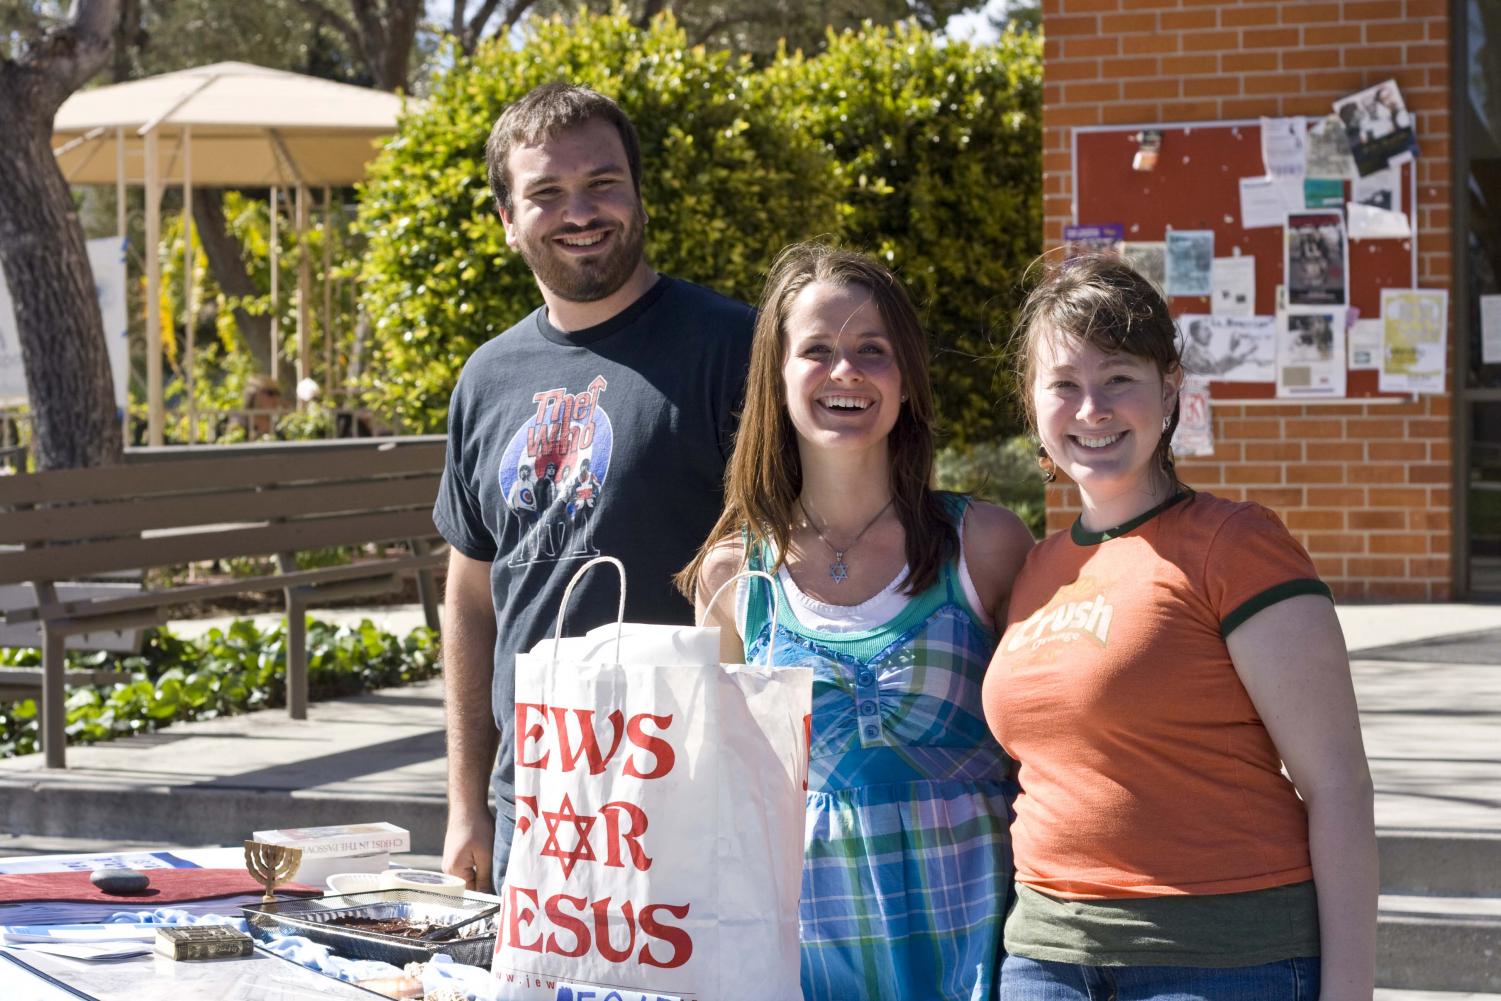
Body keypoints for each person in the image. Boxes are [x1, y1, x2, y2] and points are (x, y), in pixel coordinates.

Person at [984, 255, 1376, 1000]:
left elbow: (1338, 787)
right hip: (1045, 956)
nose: (1090, 408)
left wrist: (1348, 991)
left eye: (1118, 378)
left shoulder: (1235, 544)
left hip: (1222, 958)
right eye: (1064, 384)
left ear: (1169, 388)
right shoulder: (1033, 569)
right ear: (1032, 402)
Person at [680, 243, 1035, 1001]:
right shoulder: (731, 580)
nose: (845, 371)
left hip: (982, 947)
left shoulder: (986, 545)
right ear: (776, 378)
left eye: (871, 351)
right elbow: (719, 801)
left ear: (905, 380)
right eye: (816, 350)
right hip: (808, 959)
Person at [433, 83, 754, 892]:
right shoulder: (486, 377)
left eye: (602, 182)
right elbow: (472, 600)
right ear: (508, 220)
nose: (579, 211)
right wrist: (466, 804)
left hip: (684, 795)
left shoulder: (736, 347)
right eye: (545, 193)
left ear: (640, 195)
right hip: (534, 806)